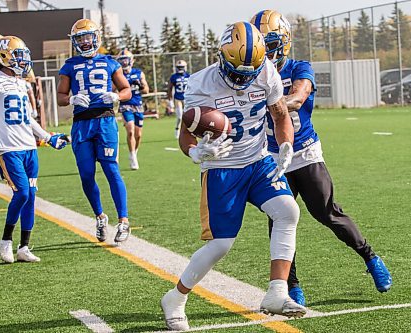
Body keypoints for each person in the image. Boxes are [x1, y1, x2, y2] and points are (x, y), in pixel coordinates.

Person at [160, 22, 306, 331]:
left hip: (257, 160)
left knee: (288, 212)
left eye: (248, 73)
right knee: (221, 245)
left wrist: (286, 145)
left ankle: (277, 293)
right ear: (220, 56)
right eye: (236, 72)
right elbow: (186, 134)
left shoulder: (266, 71)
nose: (241, 79)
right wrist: (195, 153)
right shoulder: (201, 83)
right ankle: (175, 298)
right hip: (222, 168)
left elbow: (281, 116)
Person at [251, 10, 393, 306]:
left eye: (271, 42)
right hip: (273, 157)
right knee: (280, 219)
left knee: (327, 211)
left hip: (304, 152)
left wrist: (273, 104)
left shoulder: (299, 67)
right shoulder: (251, 77)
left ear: (284, 42)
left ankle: (370, 258)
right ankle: (292, 285)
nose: (267, 49)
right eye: (262, 43)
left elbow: (298, 97)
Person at [57, 19, 132, 243]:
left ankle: (124, 221)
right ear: (75, 41)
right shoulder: (69, 65)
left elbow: (126, 88)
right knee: (87, 174)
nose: (85, 41)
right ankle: (100, 216)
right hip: (81, 124)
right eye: (80, 38)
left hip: (106, 121)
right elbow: (60, 97)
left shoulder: (110, 62)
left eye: (87, 37)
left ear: (96, 37)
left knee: (111, 170)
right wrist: (70, 98)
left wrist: (117, 96)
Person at [0, 36, 68, 263]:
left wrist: (47, 137)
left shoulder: (20, 82)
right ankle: (6, 240)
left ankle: (24, 246)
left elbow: (28, 118)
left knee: (31, 196)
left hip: (28, 147)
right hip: (8, 148)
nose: (23, 60)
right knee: (22, 192)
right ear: (4, 56)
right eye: (18, 55)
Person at [116, 49, 149, 170]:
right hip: (125, 105)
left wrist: (140, 85)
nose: (124, 63)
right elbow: (113, 88)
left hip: (138, 105)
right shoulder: (119, 74)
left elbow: (146, 90)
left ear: (131, 60)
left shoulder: (138, 73)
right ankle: (133, 157)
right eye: (122, 60)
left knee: (138, 134)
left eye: (126, 60)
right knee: (130, 129)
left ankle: (134, 152)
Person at [167, 59, 190, 139]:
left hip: (187, 99)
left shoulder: (189, 76)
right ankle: (177, 129)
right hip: (178, 99)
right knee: (180, 117)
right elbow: (169, 89)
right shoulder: (174, 77)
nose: (180, 69)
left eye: (181, 67)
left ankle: (189, 131)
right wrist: (170, 101)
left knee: (189, 116)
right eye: (179, 67)